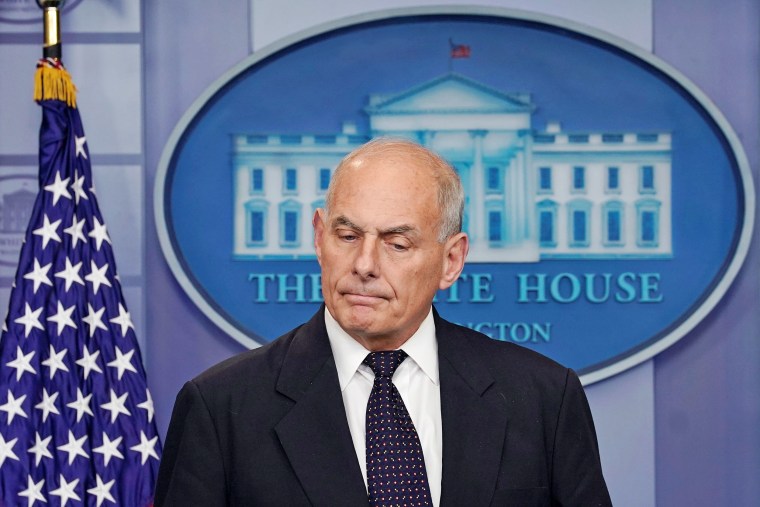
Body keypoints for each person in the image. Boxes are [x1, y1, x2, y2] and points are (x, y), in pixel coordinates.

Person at [155, 138, 612, 506]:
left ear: (451, 260)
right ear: (319, 238)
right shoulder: (220, 408)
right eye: (348, 236)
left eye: (397, 243)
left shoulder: (543, 399)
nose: (364, 264)